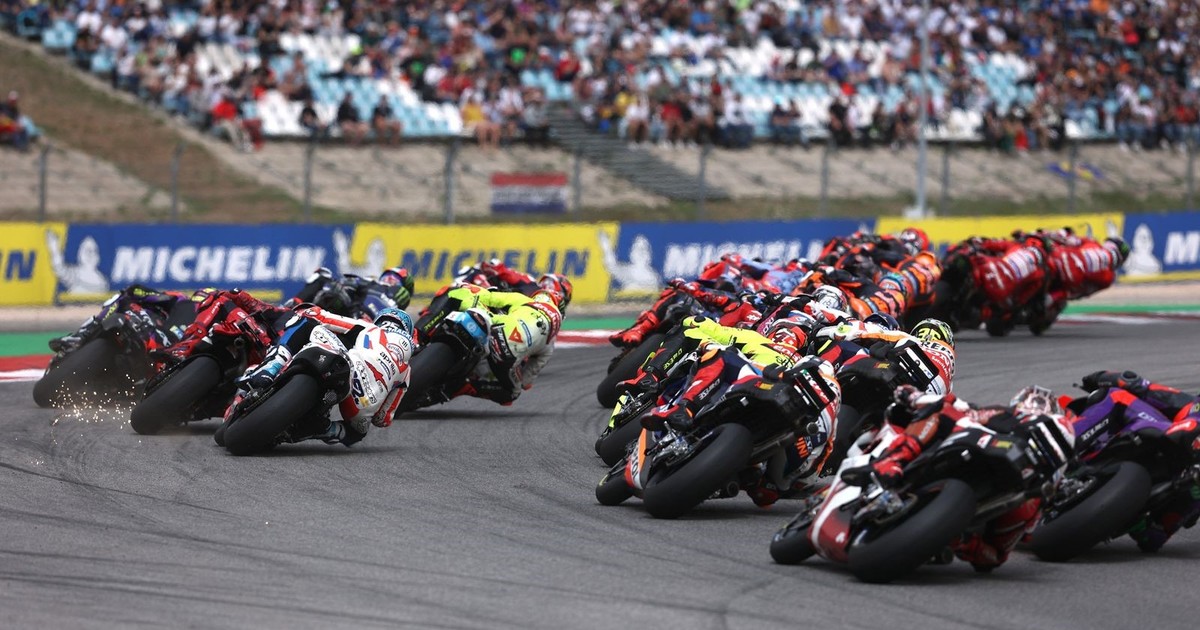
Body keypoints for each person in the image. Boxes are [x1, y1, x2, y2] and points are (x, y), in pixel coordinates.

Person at [841, 384, 1076, 571]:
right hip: (954, 456)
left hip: (983, 488)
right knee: (941, 409)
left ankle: (895, 465)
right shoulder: (1002, 416)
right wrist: (914, 396)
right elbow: (956, 405)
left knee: (942, 409)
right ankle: (894, 462)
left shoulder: (1031, 497)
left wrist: (964, 541)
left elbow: (995, 556)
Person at [229, 306, 415, 446]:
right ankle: (326, 429)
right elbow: (382, 419)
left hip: (349, 369)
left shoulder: (370, 329)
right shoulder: (406, 371)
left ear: (381, 320)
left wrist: (306, 311)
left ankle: (271, 366)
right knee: (356, 433)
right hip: (361, 407)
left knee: (306, 322)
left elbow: (320, 316)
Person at [1076, 370, 1200, 551]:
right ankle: (1065, 445)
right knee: (1116, 395)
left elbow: (1153, 541)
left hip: (1173, 479)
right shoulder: (1189, 406)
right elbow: (1140, 386)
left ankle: (1137, 521)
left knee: (1156, 535)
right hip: (1154, 435)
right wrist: (1102, 378)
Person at [438, 277, 570, 405]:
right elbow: (526, 381)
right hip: (506, 356)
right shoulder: (549, 344)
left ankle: (430, 330)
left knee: (461, 299)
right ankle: (463, 387)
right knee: (513, 393)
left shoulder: (523, 299)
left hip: (493, 331)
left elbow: (488, 297)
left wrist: (468, 288)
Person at [285, 266, 416, 315]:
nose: (389, 280)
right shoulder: (370, 281)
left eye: (394, 280)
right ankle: (292, 307)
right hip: (349, 308)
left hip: (369, 325)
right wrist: (347, 286)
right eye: (387, 277)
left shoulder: (399, 312)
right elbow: (348, 281)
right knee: (322, 274)